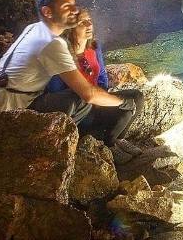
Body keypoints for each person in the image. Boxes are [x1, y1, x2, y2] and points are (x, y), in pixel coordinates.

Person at [0, 0, 130, 142]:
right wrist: (123, 102)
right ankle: (63, 144)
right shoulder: (52, 43)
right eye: (66, 7)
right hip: (7, 108)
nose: (75, 10)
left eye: (73, 5)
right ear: (47, 12)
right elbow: (88, 94)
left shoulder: (34, 28)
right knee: (79, 99)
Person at [44, 8, 145, 146]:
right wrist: (93, 99)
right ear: (70, 29)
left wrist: (102, 97)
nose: (89, 25)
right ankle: (107, 146)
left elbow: (102, 76)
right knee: (124, 107)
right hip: (79, 109)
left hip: (97, 101)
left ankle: (118, 142)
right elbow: (55, 90)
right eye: (82, 22)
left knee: (136, 97)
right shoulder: (62, 55)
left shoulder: (94, 47)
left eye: (90, 20)